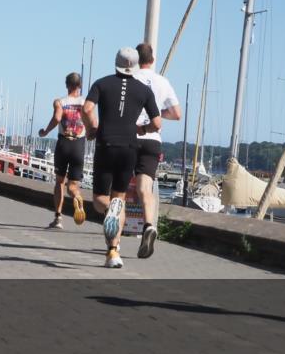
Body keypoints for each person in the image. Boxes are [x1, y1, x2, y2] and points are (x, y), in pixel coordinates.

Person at [81, 47, 160, 268]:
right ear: (135, 66)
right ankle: (113, 253)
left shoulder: (101, 84)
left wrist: (91, 128)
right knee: (119, 199)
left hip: (106, 145)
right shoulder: (144, 90)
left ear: (115, 62)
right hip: (130, 148)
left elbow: (86, 109)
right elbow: (157, 123)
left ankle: (110, 216)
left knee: (100, 200)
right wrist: (141, 130)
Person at [132, 43, 181, 258]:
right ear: (152, 60)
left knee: (121, 189)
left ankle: (114, 242)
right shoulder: (163, 82)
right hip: (152, 140)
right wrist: (157, 114)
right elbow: (176, 114)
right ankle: (149, 225)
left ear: (136, 60)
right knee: (145, 189)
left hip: (130, 137)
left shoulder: (129, 80)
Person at [38, 72, 86, 229]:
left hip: (64, 144)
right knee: (73, 186)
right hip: (79, 145)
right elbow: (93, 122)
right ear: (80, 85)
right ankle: (76, 195)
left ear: (66, 85)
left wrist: (45, 131)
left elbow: (58, 118)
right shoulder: (86, 103)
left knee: (59, 182)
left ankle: (58, 218)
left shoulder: (59, 102)